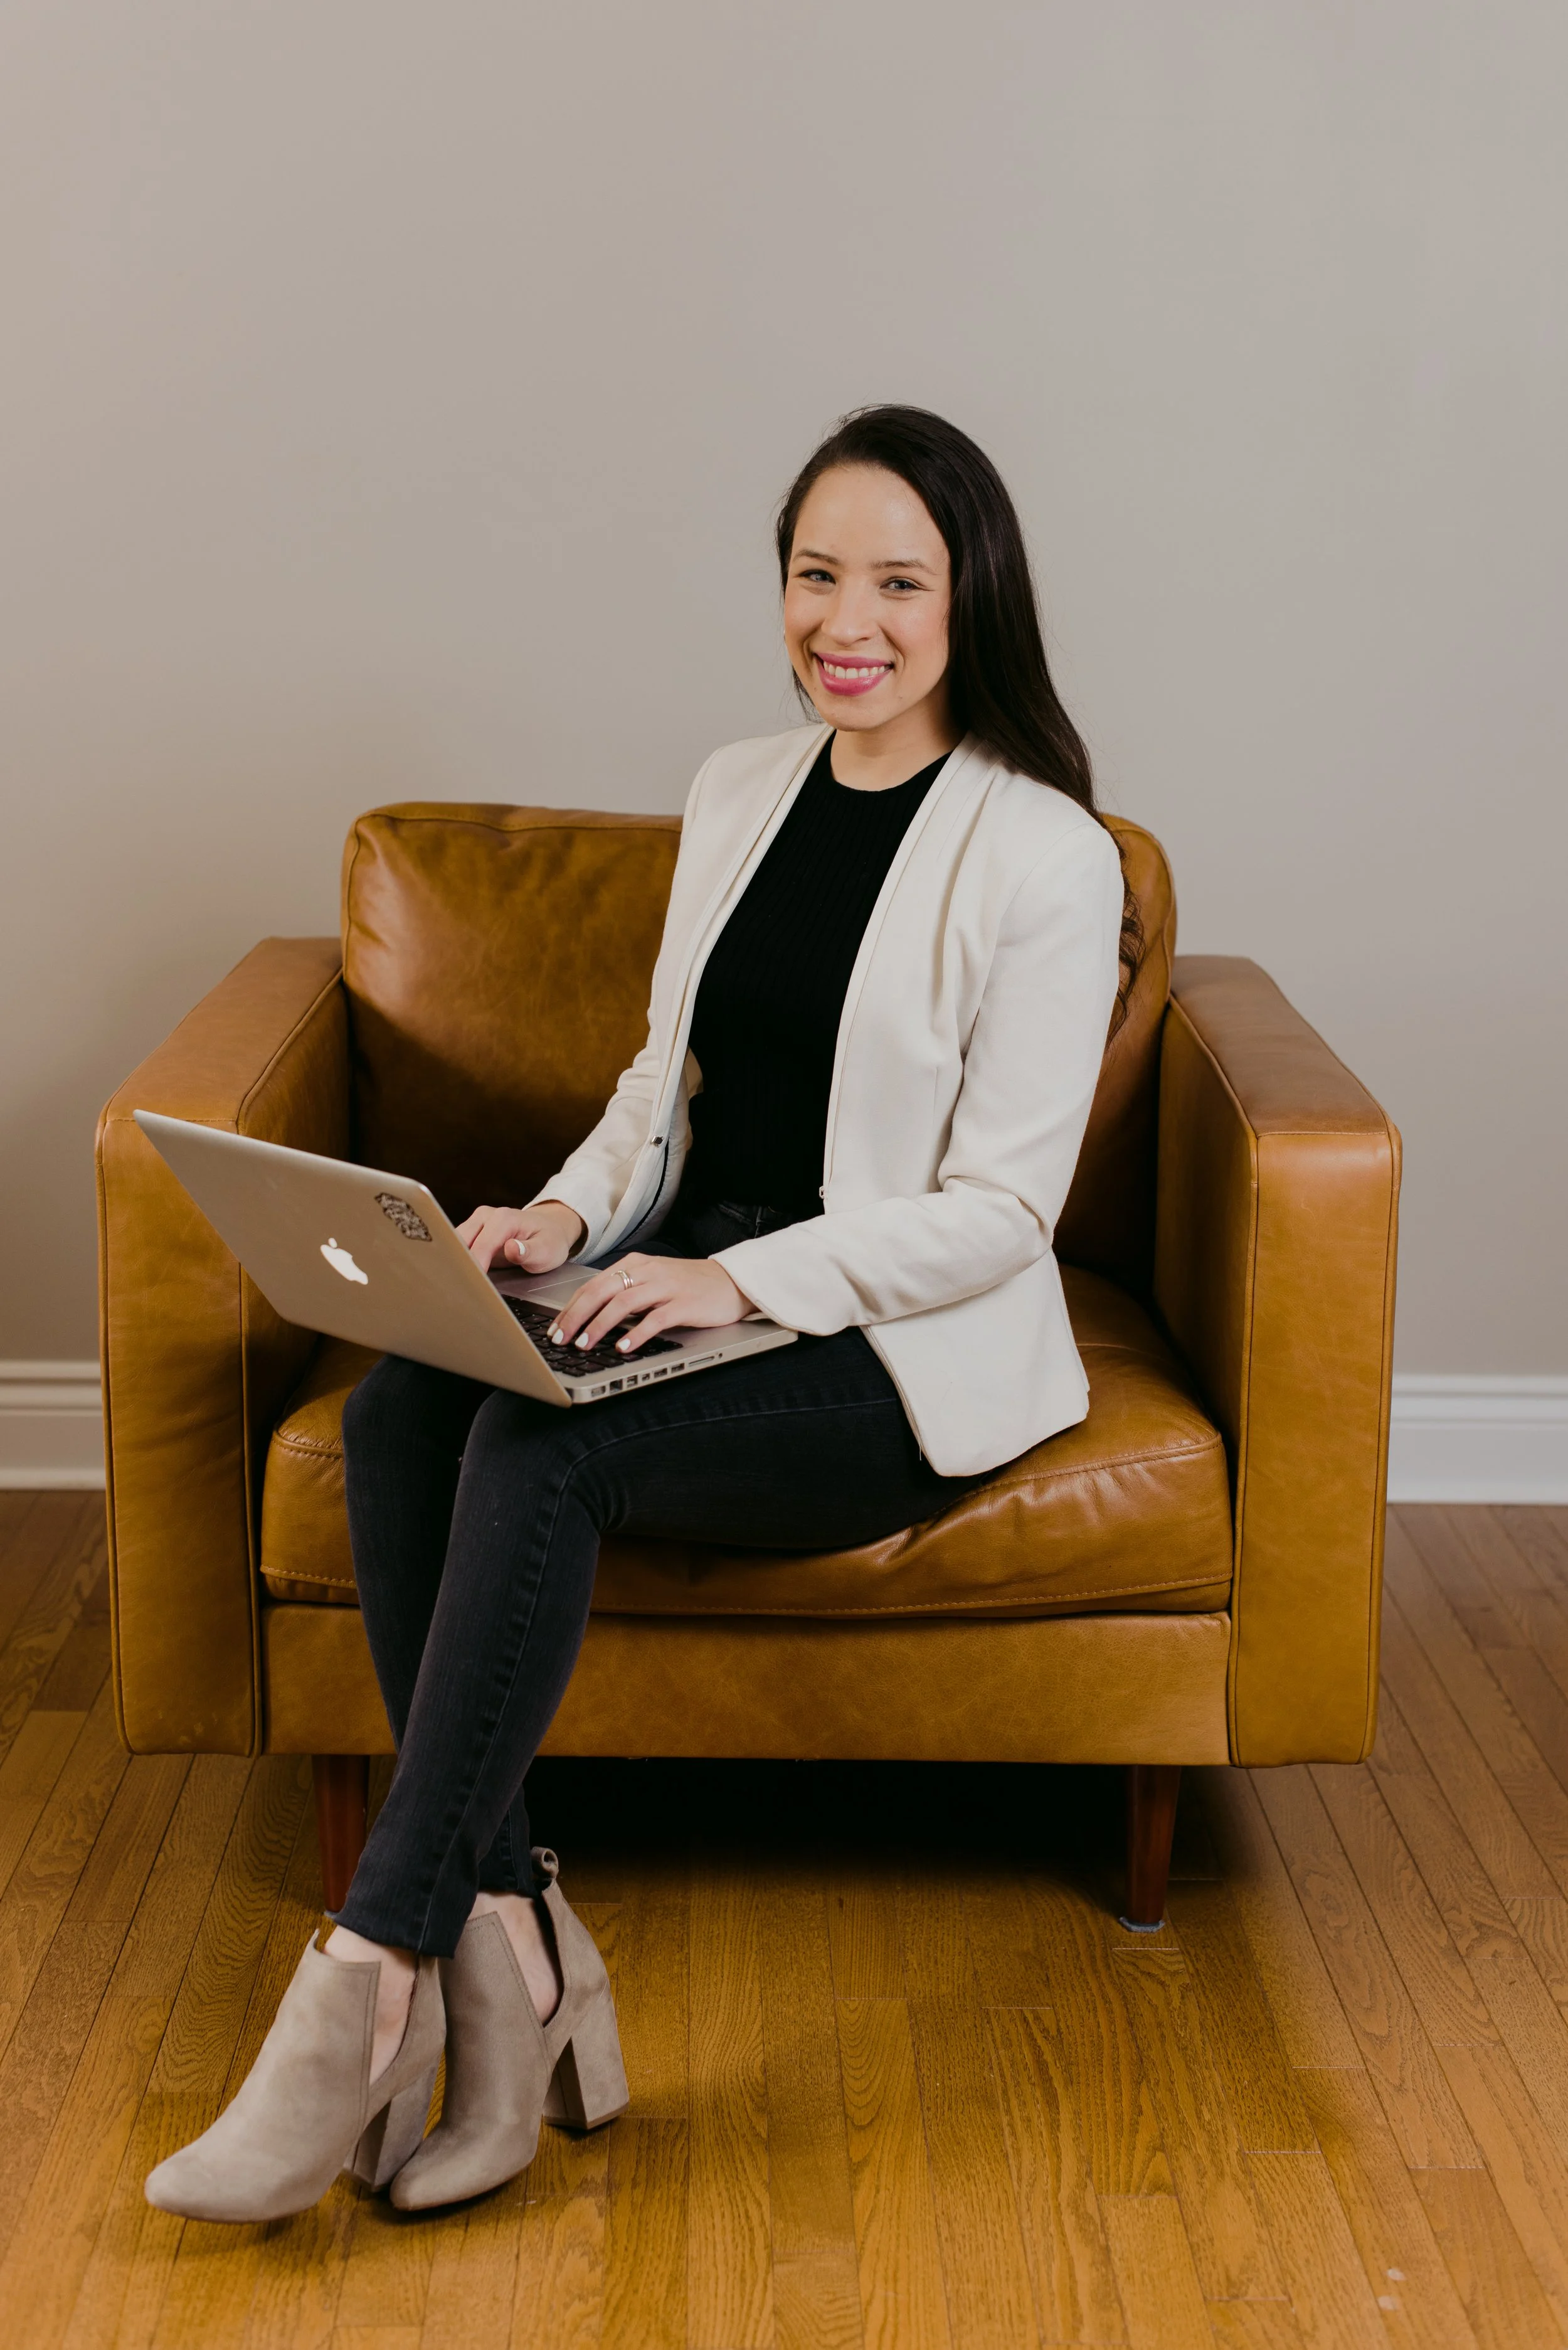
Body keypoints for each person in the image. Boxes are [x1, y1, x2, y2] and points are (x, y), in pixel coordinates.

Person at [146, 405, 1135, 2222]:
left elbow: (1001, 1214)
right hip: (682, 1281)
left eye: (897, 581)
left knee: (537, 1450)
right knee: (395, 1408)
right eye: (815, 573)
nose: (850, 617)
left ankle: (372, 1981)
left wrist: (731, 1277)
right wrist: (564, 1215)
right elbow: (654, 1092)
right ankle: (514, 1949)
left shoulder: (1045, 854)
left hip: (880, 1348)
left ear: (969, 598)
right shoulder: (741, 787)